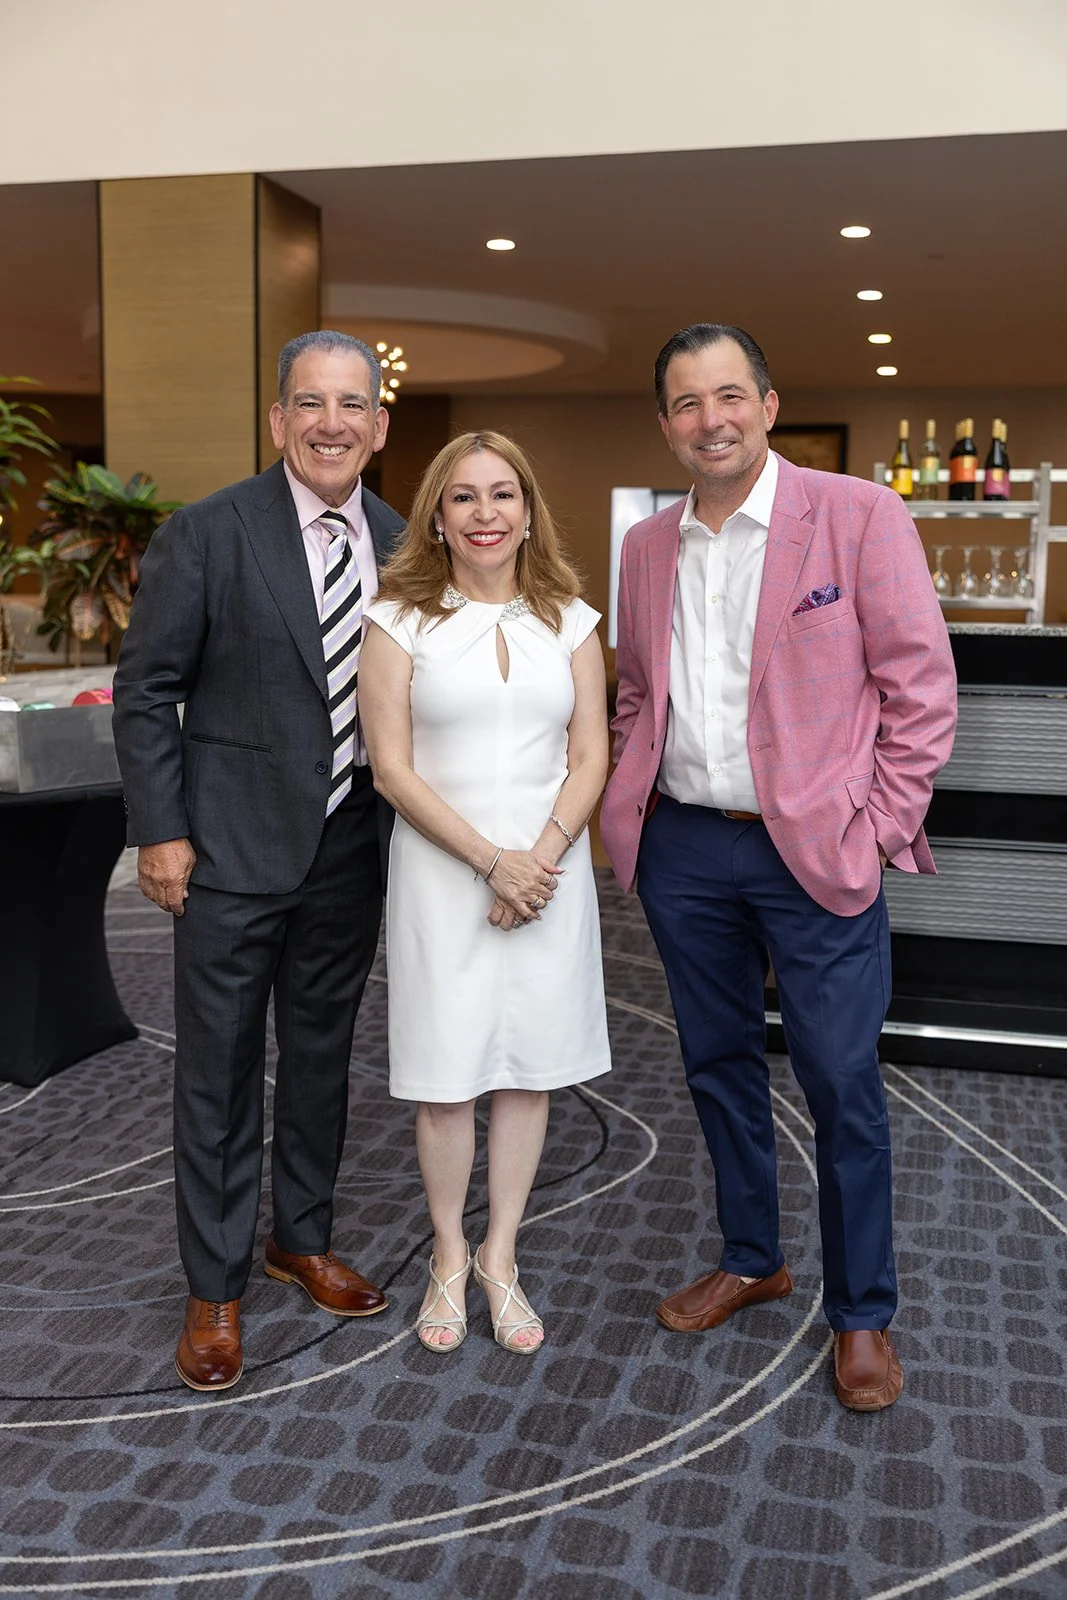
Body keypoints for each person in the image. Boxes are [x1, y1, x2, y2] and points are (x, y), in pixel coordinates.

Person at [601, 324, 957, 1410]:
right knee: (713, 1066)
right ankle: (752, 1256)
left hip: (815, 849)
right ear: (664, 424)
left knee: (841, 1081)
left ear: (765, 403)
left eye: (726, 396)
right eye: (683, 402)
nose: (707, 418)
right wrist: (636, 798)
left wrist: (876, 821)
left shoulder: (855, 515)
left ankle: (860, 1315)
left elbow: (919, 688)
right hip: (687, 847)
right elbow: (633, 692)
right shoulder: (646, 546)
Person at [112, 330, 405, 1391]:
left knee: (324, 1056)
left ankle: (303, 1235)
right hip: (227, 850)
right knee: (220, 1073)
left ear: (377, 425)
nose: (331, 422)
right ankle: (216, 1283)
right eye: (308, 402)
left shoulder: (402, 536)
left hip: (351, 845)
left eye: (351, 404)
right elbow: (147, 690)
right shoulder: (209, 531)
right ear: (277, 419)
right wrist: (160, 828)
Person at [358, 430, 610, 1355]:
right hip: (440, 872)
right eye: (462, 497)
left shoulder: (572, 620)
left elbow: (590, 758)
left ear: (529, 509)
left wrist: (534, 860)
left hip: (549, 875)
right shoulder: (395, 621)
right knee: (446, 1077)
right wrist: (489, 863)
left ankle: (501, 1253)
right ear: (436, 513)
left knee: (529, 1071)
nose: (484, 514)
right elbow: (391, 769)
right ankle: (448, 1254)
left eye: (502, 494)